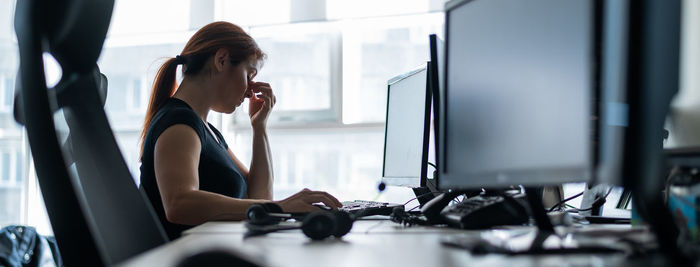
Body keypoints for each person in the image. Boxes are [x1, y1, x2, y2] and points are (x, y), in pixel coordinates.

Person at [138, 21, 342, 240]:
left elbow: (259, 196)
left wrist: (259, 127)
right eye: (249, 75)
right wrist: (279, 207)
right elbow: (179, 204)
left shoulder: (209, 131)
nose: (250, 91)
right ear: (221, 60)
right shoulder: (178, 122)